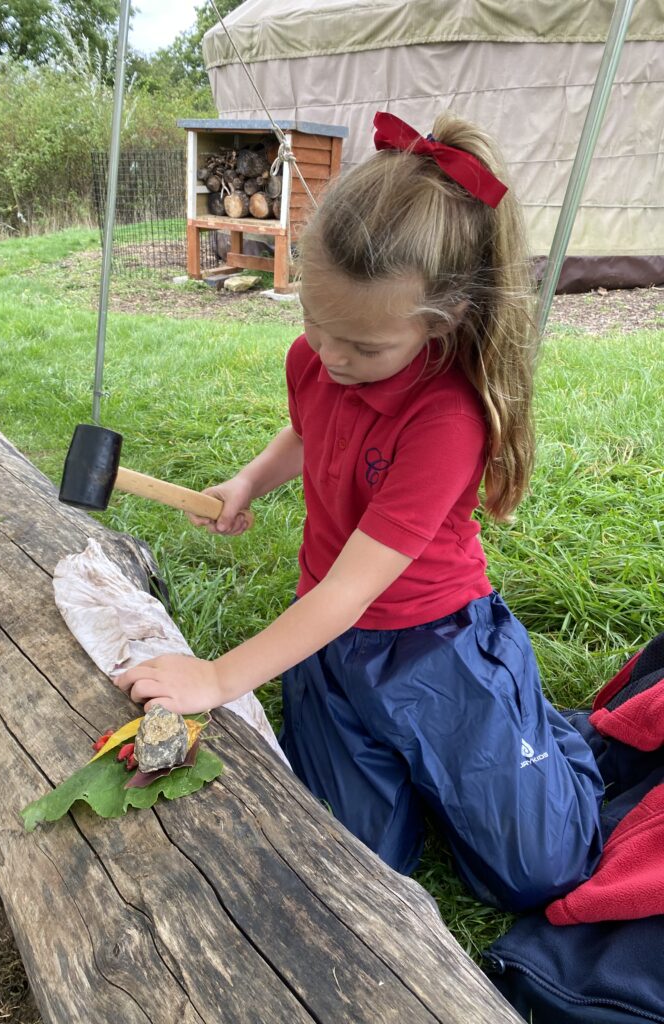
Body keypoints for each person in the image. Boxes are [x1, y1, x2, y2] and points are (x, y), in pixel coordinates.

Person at [115, 111, 604, 912]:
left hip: (432, 643)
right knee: (355, 855)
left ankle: (545, 735)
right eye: (317, 325)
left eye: (365, 348)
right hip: (333, 649)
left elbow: (352, 593)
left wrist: (218, 677)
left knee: (541, 871)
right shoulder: (318, 357)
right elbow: (307, 429)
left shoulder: (448, 419)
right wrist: (246, 482)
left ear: (440, 321)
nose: (333, 357)